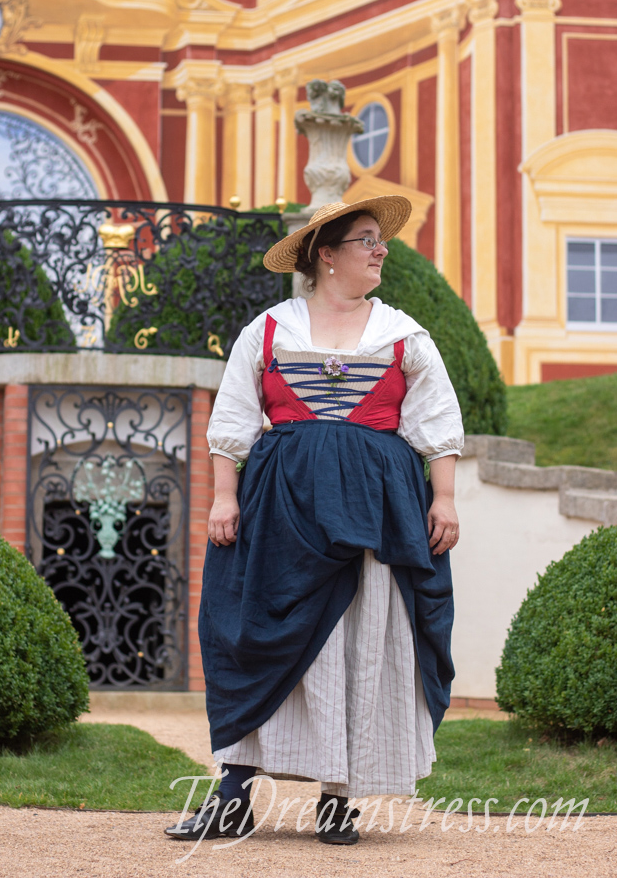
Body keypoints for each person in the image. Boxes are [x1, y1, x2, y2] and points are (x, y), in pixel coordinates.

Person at [165, 196, 463, 845]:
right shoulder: (269, 329)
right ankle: (232, 798)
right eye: (364, 240)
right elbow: (233, 421)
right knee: (259, 636)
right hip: (281, 510)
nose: (380, 249)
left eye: (378, 240)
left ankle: (337, 800)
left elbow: (436, 425)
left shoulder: (403, 334)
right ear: (324, 256)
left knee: (357, 639)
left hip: (375, 511)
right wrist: (223, 497)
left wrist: (442, 498)